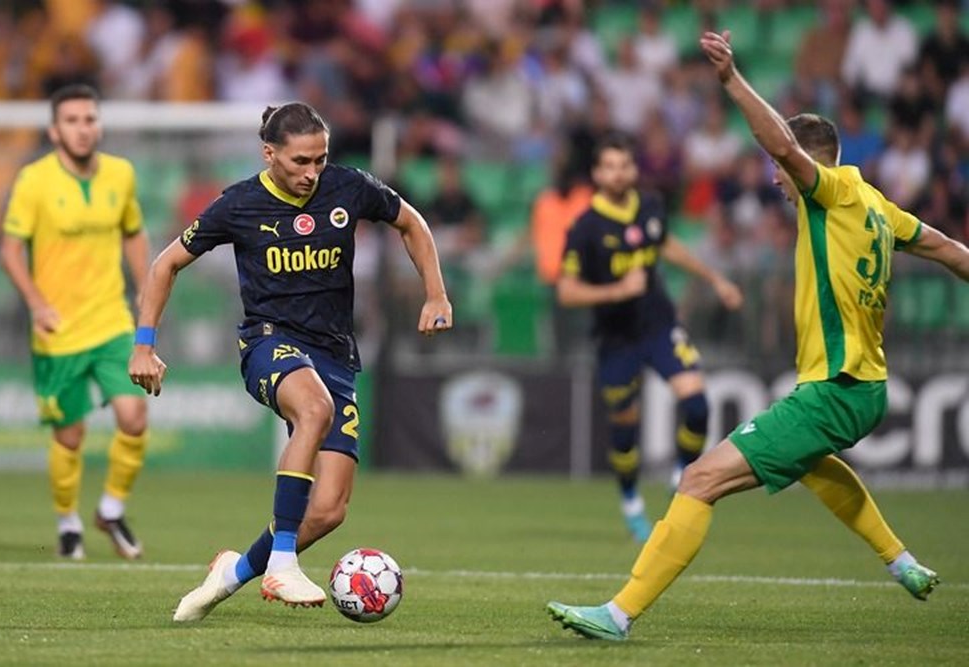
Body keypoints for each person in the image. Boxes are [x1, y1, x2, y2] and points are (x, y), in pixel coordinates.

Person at [547, 29, 969, 641]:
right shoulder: (879, 206)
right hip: (867, 387)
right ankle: (900, 561)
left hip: (835, 387)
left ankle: (618, 614)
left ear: (807, 162)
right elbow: (951, 250)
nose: (774, 178)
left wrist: (730, 80)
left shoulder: (831, 192)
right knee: (811, 464)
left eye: (778, 169)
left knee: (699, 479)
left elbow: (782, 144)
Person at [128, 102, 452, 621]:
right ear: (269, 154)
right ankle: (281, 562)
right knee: (314, 409)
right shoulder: (239, 204)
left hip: (335, 354)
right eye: (301, 161)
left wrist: (435, 293)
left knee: (328, 511)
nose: (311, 172)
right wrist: (144, 345)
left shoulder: (348, 187)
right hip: (268, 342)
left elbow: (410, 223)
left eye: (320, 160)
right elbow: (166, 264)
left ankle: (232, 573)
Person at [556, 133, 743, 541]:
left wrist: (715, 278)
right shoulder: (586, 228)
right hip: (616, 338)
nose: (618, 174)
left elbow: (667, 246)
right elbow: (567, 291)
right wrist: (617, 291)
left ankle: (681, 479)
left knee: (696, 404)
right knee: (625, 426)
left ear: (633, 169)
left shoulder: (650, 206)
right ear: (596, 173)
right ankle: (630, 502)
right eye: (609, 166)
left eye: (624, 165)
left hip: (658, 324)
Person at [0, 83, 150, 561]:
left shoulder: (121, 174)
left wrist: (145, 285)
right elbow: (10, 251)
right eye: (72, 121)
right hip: (58, 330)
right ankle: (68, 522)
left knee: (134, 416)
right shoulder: (34, 180)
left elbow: (133, 232)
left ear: (99, 125)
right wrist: (36, 303)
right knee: (70, 436)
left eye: (90, 119)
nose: (83, 129)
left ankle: (111, 510)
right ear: (54, 131)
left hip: (111, 321)